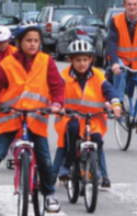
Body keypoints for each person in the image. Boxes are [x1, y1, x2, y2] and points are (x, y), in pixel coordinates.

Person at [0, 23, 64, 213]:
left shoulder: (46, 61)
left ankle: (49, 194)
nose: (33, 44)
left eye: (36, 40)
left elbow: (56, 86)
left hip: (36, 118)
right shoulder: (8, 63)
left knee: (44, 158)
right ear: (19, 42)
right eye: (29, 40)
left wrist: (57, 104)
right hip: (10, 117)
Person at [54, 40, 122, 188]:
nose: (82, 63)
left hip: (93, 119)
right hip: (71, 117)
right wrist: (56, 105)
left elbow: (110, 91)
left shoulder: (98, 75)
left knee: (97, 140)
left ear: (91, 60)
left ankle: (99, 171)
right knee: (71, 131)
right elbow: (56, 92)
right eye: (77, 60)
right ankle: (67, 164)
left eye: (85, 59)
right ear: (70, 60)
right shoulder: (64, 76)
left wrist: (116, 104)